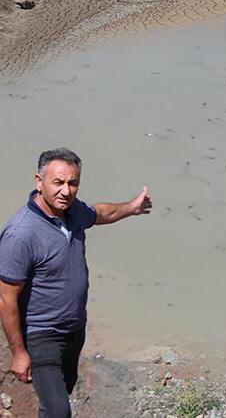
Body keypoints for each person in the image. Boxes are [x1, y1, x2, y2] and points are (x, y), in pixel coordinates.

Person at [0, 148, 153, 418]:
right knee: (59, 411)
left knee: (61, 395)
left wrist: (132, 207)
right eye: (58, 183)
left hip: (74, 328)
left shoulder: (73, 212)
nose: (66, 191)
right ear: (39, 181)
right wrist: (19, 353)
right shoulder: (20, 235)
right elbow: (6, 299)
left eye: (73, 183)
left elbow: (100, 213)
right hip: (41, 333)